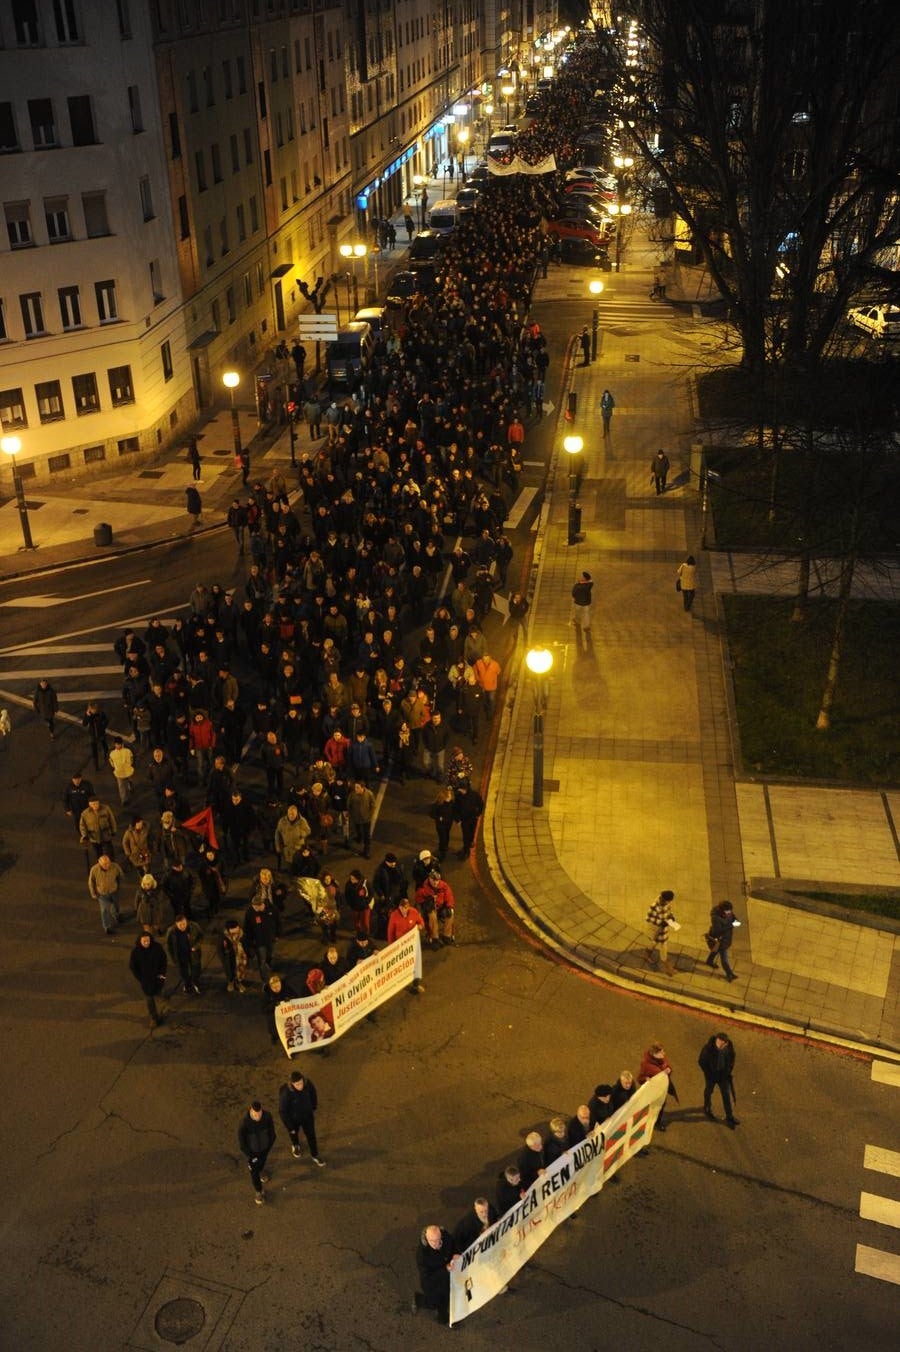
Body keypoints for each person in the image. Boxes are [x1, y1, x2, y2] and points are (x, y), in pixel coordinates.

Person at [278, 1070, 326, 1165]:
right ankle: (295, 1145)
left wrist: (313, 1106)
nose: (300, 1086)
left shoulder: (308, 1084)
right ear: (292, 1084)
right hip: (294, 1119)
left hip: (307, 1116)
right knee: (293, 1132)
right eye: (297, 1084)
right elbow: (283, 1111)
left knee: (311, 1136)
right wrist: (289, 1126)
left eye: (301, 1083)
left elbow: (313, 1094)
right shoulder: (286, 1093)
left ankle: (315, 1154)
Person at [412, 1225, 455, 1325]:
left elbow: (453, 1245)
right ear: (427, 1239)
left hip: (445, 1278)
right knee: (433, 1303)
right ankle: (418, 1299)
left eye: (438, 1240)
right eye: (432, 1241)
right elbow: (427, 1277)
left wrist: (455, 1253)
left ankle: (443, 1319)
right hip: (432, 1284)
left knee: (445, 1299)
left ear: (441, 1235)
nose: (436, 1244)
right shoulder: (422, 1255)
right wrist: (446, 1269)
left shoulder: (446, 1237)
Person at [237, 1101, 277, 1204]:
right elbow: (242, 1143)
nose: (258, 1116)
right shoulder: (245, 1124)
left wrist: (269, 1145)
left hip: (264, 1150)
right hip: (253, 1153)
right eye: (255, 1114)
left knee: (262, 1163)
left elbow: (272, 1131)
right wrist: (250, 1155)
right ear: (251, 1111)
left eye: (259, 1114)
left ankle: (261, 1171)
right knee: (254, 1173)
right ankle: (259, 1191)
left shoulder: (267, 1116)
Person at [699, 1032, 739, 1128]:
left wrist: (728, 1070)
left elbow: (732, 1057)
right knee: (708, 1091)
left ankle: (729, 1116)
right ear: (718, 1040)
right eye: (722, 1044)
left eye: (725, 1044)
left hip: (723, 1076)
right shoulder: (708, 1049)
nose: (724, 1046)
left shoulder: (728, 1047)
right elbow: (701, 1062)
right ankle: (707, 1107)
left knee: (726, 1096)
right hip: (711, 1076)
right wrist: (708, 1073)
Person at [386, 897, 426, 993]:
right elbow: (390, 932)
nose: (405, 910)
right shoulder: (394, 916)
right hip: (401, 946)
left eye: (407, 908)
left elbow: (421, 921)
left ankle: (416, 985)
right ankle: (400, 983)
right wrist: (391, 946)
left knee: (415, 964)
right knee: (402, 965)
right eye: (403, 908)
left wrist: (420, 926)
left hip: (412, 944)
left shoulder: (414, 912)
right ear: (399, 907)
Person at [129, 931, 168, 1029]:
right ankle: (154, 1018)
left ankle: (160, 994)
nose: (146, 943)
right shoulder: (136, 952)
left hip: (158, 977)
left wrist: (162, 974)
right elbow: (133, 967)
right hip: (146, 980)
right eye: (144, 941)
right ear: (140, 941)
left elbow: (163, 960)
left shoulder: (157, 948)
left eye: (148, 940)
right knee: (149, 999)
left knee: (159, 990)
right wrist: (141, 978)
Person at [637, 1043, 679, 1131]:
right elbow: (639, 1078)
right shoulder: (645, 1064)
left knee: (661, 1105)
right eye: (661, 1052)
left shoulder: (662, 1058)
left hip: (662, 1089)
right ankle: (646, 1122)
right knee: (652, 1107)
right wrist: (646, 1079)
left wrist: (669, 1069)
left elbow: (668, 1066)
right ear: (654, 1054)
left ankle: (657, 1122)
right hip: (653, 1091)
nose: (664, 1054)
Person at [166, 913, 203, 994]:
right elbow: (169, 946)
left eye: (184, 924)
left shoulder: (194, 926)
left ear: (187, 921)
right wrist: (174, 959)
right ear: (176, 924)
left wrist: (196, 946)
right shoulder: (171, 931)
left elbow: (201, 937)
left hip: (193, 954)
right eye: (180, 925)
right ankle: (187, 984)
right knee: (183, 972)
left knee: (196, 969)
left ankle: (196, 982)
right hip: (180, 955)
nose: (182, 926)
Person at [88, 853, 123, 935]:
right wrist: (93, 893)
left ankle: (116, 915)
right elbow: (91, 882)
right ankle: (107, 927)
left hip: (113, 891)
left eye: (108, 863)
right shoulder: (94, 870)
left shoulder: (115, 867)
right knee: (104, 911)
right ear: (99, 863)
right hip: (102, 894)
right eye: (105, 864)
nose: (107, 865)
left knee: (116, 905)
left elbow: (120, 875)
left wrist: (118, 886)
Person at [645, 889, 678, 976]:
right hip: (657, 929)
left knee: (653, 943)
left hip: (663, 929)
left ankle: (647, 954)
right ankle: (668, 969)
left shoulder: (667, 903)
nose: (670, 902)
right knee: (664, 948)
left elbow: (669, 911)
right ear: (666, 899)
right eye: (670, 900)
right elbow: (648, 918)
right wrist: (660, 923)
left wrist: (672, 917)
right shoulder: (655, 906)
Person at [706, 900, 739, 981]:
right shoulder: (716, 918)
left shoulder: (728, 911)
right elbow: (716, 931)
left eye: (730, 912)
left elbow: (735, 919)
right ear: (722, 911)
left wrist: (735, 922)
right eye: (727, 912)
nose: (729, 914)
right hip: (721, 940)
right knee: (724, 959)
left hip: (727, 938)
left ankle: (709, 961)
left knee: (715, 950)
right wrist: (730, 926)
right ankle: (729, 974)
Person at [263, 973, 298, 1045]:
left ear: (281, 984)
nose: (277, 989)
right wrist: (274, 1005)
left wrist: (290, 999)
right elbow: (264, 1009)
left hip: (286, 1013)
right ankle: (274, 1036)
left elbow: (296, 996)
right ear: (270, 987)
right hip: (274, 1015)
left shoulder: (286, 988)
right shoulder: (267, 994)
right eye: (274, 988)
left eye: (278, 986)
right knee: (272, 1025)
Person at [453, 781, 484, 859]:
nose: (459, 790)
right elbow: (456, 809)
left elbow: (481, 804)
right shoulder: (458, 796)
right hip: (464, 820)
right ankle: (466, 849)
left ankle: (466, 850)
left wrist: (478, 814)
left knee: (471, 834)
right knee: (466, 835)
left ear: (464, 789)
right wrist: (457, 820)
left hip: (472, 819)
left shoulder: (474, 795)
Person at [220, 921, 248, 993]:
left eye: (237, 927)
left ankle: (239, 983)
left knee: (240, 971)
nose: (236, 929)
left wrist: (248, 953)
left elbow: (246, 944)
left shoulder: (242, 934)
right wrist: (223, 958)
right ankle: (231, 982)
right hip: (229, 958)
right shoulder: (224, 937)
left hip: (240, 957)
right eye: (234, 928)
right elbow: (220, 949)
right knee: (230, 970)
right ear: (229, 929)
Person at [82, 701, 109, 770]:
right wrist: (88, 716)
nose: (93, 711)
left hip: (101, 733)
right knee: (94, 751)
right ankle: (96, 765)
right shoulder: (88, 715)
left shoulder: (101, 713)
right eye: (92, 710)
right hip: (93, 735)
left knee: (104, 745)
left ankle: (106, 755)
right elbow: (84, 724)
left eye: (94, 710)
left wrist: (102, 726)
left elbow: (106, 721)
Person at [108, 736, 135, 804]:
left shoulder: (128, 751)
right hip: (119, 772)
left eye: (119, 744)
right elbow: (112, 763)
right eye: (117, 744)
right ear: (115, 744)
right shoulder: (112, 754)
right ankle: (124, 800)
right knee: (121, 786)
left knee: (130, 780)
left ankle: (130, 787)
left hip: (128, 771)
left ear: (122, 744)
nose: (118, 745)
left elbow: (132, 760)